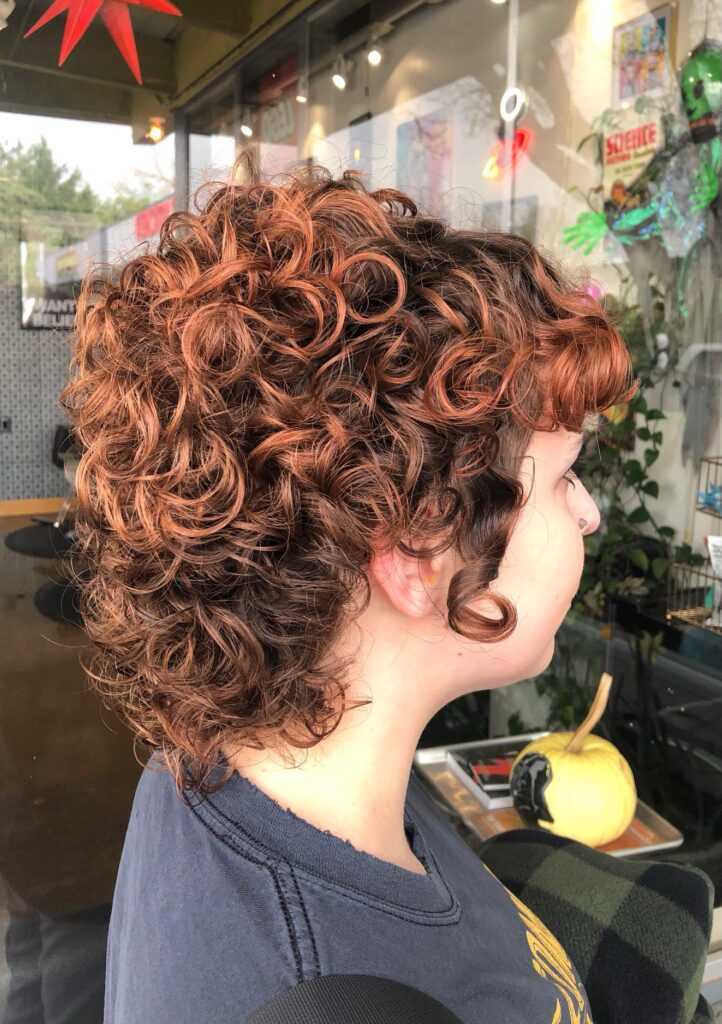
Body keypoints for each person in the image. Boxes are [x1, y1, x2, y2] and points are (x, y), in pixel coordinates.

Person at [60, 150, 636, 1023]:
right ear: (417, 550)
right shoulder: (330, 992)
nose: (588, 513)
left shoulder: (212, 768)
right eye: (563, 477)